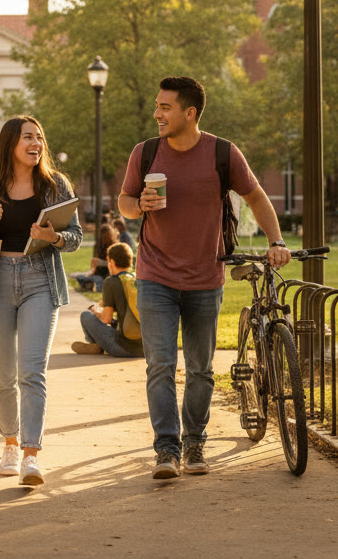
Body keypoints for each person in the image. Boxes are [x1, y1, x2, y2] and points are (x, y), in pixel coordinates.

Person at [118, 76, 290, 479]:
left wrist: (277, 240)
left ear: (189, 113)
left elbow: (255, 196)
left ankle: (194, 442)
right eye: (157, 106)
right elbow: (124, 202)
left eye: (165, 107)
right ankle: (166, 449)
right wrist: (138, 204)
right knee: (160, 365)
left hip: (205, 278)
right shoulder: (145, 153)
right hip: (155, 276)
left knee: (200, 369)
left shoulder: (222, 153)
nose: (157, 114)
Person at [0, 116, 82, 487]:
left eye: (39, 137)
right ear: (10, 143)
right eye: (28, 137)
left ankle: (30, 455)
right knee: (3, 375)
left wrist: (54, 237)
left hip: (40, 280)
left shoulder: (55, 185)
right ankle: (9, 443)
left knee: (32, 372)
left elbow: (75, 236)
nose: (36, 143)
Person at [72, 242, 142, 358]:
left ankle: (96, 345)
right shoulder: (136, 279)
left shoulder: (111, 281)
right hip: (145, 349)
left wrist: (95, 310)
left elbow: (106, 319)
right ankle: (98, 345)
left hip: (123, 349)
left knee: (86, 315)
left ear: (112, 262)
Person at [72, 224, 116, 292]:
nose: (105, 239)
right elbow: (94, 261)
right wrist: (92, 270)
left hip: (108, 273)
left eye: (107, 236)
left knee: (99, 282)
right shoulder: (98, 245)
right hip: (98, 272)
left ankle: (90, 285)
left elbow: (114, 263)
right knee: (79, 277)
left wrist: (100, 262)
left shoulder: (114, 246)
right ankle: (88, 285)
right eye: (104, 237)